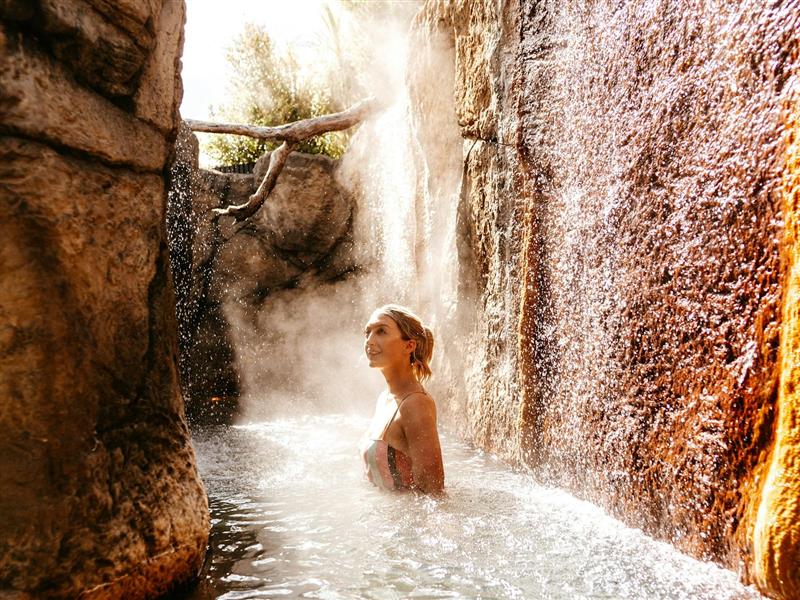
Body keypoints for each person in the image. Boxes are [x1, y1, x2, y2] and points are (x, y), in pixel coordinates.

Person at [359, 304, 445, 495]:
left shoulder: (415, 404)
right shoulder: (385, 398)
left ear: (409, 345)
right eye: (368, 332)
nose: (370, 341)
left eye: (381, 331)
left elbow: (433, 493)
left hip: (405, 523)